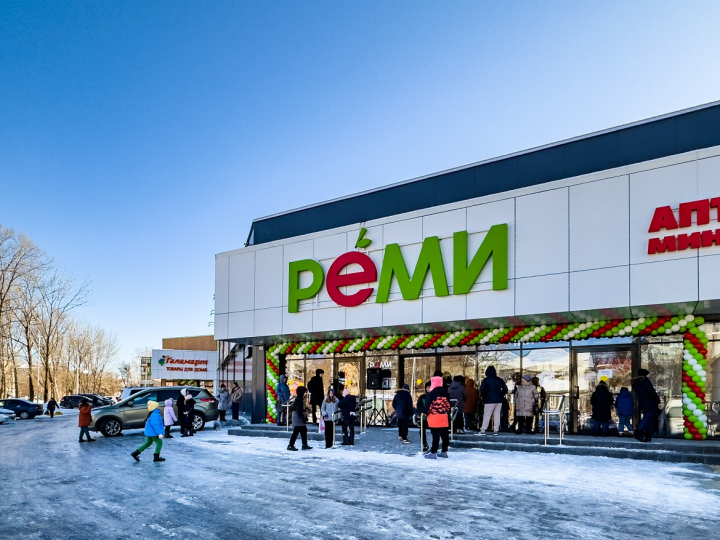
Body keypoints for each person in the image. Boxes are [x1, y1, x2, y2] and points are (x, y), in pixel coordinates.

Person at [424, 376, 451, 459]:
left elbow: (427, 406)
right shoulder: (446, 393)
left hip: (434, 417)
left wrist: (425, 413)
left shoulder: (431, 393)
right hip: (443, 416)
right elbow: (448, 406)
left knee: (435, 436)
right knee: (444, 435)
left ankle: (433, 452)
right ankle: (444, 451)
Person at [632, 368, 661, 442]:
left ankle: (643, 433)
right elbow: (651, 391)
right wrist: (657, 400)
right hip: (650, 403)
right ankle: (641, 432)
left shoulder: (637, 383)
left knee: (647, 417)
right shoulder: (645, 381)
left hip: (643, 403)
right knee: (649, 418)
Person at [479, 366, 508, 435]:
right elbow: (505, 389)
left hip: (489, 400)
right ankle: (496, 430)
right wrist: (501, 395)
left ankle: (483, 430)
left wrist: (484, 397)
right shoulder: (499, 380)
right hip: (498, 400)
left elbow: (482, 390)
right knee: (497, 415)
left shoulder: (486, 380)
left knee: (487, 415)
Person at [288, 386, 312, 451]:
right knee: (296, 431)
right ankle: (291, 444)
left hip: (300, 416)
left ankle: (304, 444)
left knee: (303, 430)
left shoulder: (300, 399)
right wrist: (303, 418)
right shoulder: (298, 399)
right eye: (304, 392)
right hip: (298, 417)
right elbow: (299, 410)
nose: (305, 394)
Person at [416, 381, 432, 452]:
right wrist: (423, 411)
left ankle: (435, 445)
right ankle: (424, 444)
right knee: (422, 431)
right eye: (427, 387)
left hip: (432, 417)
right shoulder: (422, 397)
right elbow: (419, 406)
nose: (428, 389)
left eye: (430, 387)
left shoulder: (434, 396)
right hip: (424, 417)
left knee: (434, 431)